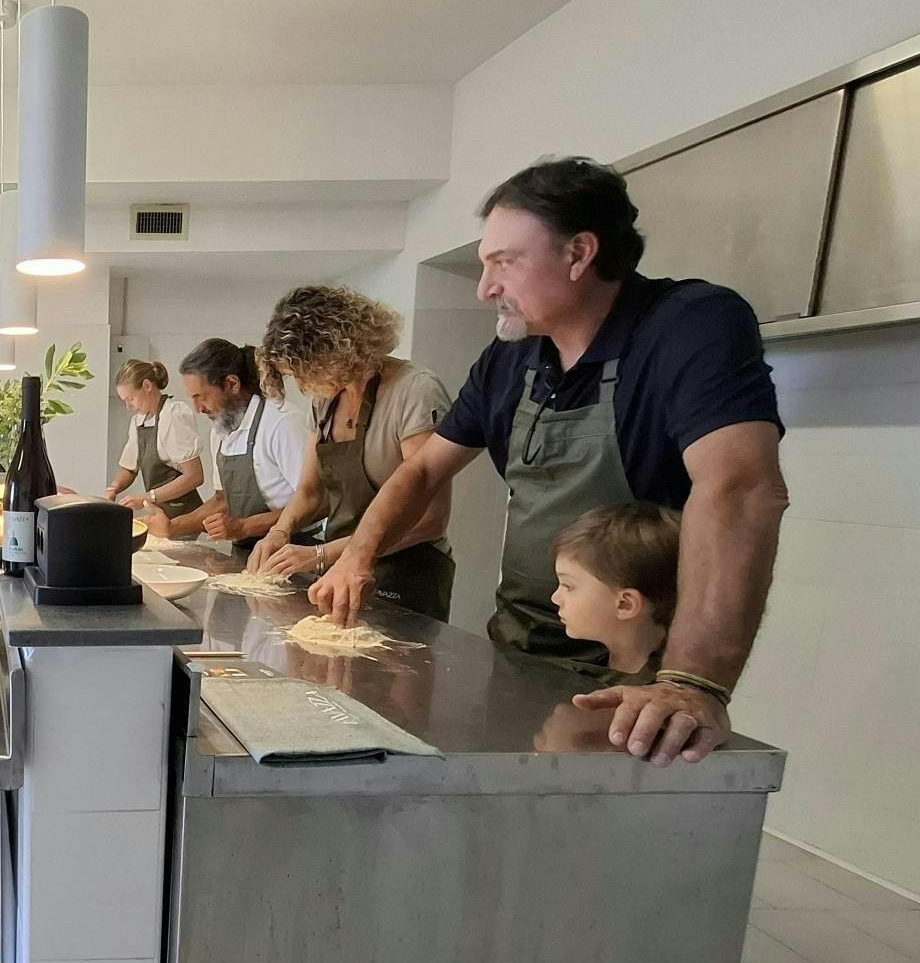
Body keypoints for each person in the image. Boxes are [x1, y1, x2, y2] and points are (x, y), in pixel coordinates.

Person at [313, 156, 788, 765]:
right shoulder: (511, 358)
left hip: (640, 667)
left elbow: (742, 488)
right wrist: (356, 557)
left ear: (579, 254)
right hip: (523, 639)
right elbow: (424, 469)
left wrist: (692, 682)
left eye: (502, 263)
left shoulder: (690, 326)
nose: (485, 288)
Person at [247, 286, 456, 621]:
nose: (302, 386)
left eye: (305, 372)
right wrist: (279, 531)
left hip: (406, 572)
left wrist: (320, 554)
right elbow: (311, 492)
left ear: (338, 350)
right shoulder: (325, 401)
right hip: (337, 568)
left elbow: (430, 518)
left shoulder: (414, 391)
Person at [145, 339, 308, 549]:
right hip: (248, 550)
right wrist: (172, 527)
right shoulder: (220, 432)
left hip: (295, 549)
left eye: (201, 397)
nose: (198, 409)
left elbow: (318, 503)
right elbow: (222, 501)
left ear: (232, 384)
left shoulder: (281, 423)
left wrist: (245, 526)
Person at [551, 502, 680, 682]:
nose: (555, 598)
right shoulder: (586, 665)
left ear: (625, 604)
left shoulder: (659, 693)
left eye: (568, 586)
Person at [103, 358, 205, 521]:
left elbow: (194, 476)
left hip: (185, 516)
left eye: (131, 399)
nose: (129, 407)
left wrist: (148, 497)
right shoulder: (138, 421)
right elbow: (130, 468)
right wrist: (113, 489)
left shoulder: (173, 415)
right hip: (161, 515)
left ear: (147, 386)